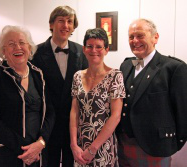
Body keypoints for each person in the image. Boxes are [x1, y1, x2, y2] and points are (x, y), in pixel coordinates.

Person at [0, 25, 55, 167]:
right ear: (3, 51)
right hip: (8, 155)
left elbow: (50, 112)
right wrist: (26, 149)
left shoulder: (39, 75)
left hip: (38, 153)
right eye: (11, 44)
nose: (18, 47)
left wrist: (41, 142)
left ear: (29, 47)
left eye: (22, 43)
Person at [117, 18, 187, 166]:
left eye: (140, 36)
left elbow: (183, 111)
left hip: (155, 147)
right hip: (123, 145)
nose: (135, 41)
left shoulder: (174, 68)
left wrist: (174, 143)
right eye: (131, 37)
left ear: (155, 37)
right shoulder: (126, 65)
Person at [31, 6, 88, 167]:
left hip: (74, 124)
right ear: (51, 24)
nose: (66, 25)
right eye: (61, 21)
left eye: (70, 22)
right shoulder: (35, 53)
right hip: (47, 124)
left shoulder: (81, 51)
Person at [70, 28, 126, 167]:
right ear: (84, 49)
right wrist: (73, 144)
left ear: (106, 50)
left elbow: (116, 116)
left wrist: (93, 148)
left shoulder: (115, 76)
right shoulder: (77, 76)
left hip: (103, 146)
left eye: (99, 47)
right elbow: (74, 111)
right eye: (90, 46)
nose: (93, 50)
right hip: (80, 146)